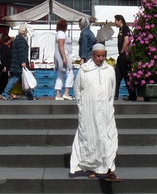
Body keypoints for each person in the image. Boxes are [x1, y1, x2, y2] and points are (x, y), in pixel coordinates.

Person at [69, 43, 120, 181]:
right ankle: (91, 167)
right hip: (89, 112)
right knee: (91, 139)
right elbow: (78, 90)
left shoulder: (109, 70)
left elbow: (112, 90)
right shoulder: (84, 70)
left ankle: (109, 168)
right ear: (93, 55)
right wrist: (82, 108)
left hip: (105, 111)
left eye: (103, 55)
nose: (101, 58)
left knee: (108, 139)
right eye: (98, 56)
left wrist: (109, 107)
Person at [0, 24, 33, 100]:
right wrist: (23, 62)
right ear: (23, 32)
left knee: (22, 78)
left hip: (16, 63)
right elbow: (21, 52)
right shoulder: (21, 40)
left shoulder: (17, 40)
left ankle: (30, 94)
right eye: (26, 31)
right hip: (19, 64)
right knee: (18, 78)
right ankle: (5, 93)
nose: (27, 32)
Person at [114, 14, 137, 101]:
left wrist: (122, 51)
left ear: (120, 20)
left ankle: (132, 95)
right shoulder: (121, 30)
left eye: (116, 20)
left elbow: (126, 41)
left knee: (126, 76)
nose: (115, 22)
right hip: (121, 56)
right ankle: (115, 94)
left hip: (124, 56)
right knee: (117, 75)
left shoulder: (125, 29)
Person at [54, 19, 75, 100]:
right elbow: (61, 46)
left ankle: (58, 94)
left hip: (59, 57)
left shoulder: (58, 34)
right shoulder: (61, 34)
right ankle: (66, 93)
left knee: (60, 75)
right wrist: (64, 58)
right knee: (70, 73)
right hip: (63, 56)